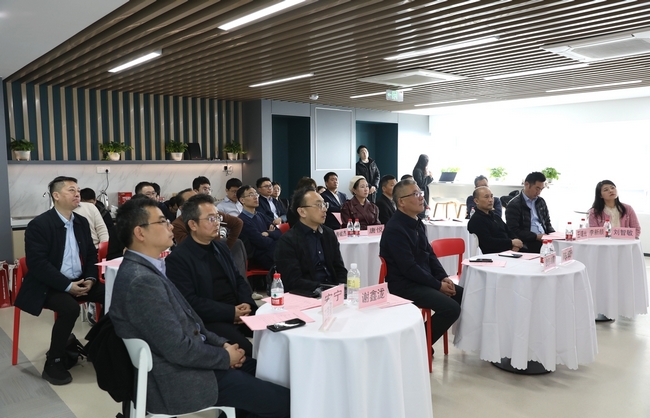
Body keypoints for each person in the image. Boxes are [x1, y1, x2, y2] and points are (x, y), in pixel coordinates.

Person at [110, 197, 290, 417]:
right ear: (140, 233)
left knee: (266, 373)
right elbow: (178, 348)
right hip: (181, 379)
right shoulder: (142, 281)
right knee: (287, 401)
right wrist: (225, 357)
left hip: (194, 361)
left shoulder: (147, 269)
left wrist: (223, 345)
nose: (171, 227)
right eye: (163, 222)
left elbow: (192, 322)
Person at [14, 176, 104, 385]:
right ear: (56, 195)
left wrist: (91, 279)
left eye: (78, 190)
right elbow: (37, 264)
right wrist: (67, 286)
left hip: (79, 280)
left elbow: (91, 254)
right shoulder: (39, 225)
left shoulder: (81, 222)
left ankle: (95, 344)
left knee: (115, 295)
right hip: (48, 284)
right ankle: (53, 361)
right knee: (70, 308)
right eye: (71, 190)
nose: (77, 194)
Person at [166, 194, 257, 356]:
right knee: (248, 352)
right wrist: (230, 312)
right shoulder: (178, 259)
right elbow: (190, 303)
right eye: (211, 219)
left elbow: (238, 278)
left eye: (217, 217)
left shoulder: (220, 247)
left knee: (277, 332)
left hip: (239, 310)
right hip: (211, 320)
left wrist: (247, 303)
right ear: (193, 224)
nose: (217, 223)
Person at [379, 179, 463, 350]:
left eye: (420, 193)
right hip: (404, 284)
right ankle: (416, 347)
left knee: (462, 295)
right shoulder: (395, 229)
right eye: (415, 194)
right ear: (401, 202)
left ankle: (419, 343)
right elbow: (408, 268)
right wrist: (437, 285)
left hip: (422, 280)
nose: (421, 198)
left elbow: (430, 254)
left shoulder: (418, 223)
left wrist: (443, 278)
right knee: (451, 309)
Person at [274, 187, 347, 293]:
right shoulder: (288, 241)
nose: (324, 209)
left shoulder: (329, 234)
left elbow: (339, 268)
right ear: (302, 212)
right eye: (319, 205)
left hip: (333, 292)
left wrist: (342, 286)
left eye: (324, 204)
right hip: (307, 294)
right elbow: (292, 280)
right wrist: (323, 289)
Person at [505, 171, 555, 253]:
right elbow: (513, 230)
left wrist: (554, 235)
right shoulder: (514, 205)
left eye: (541, 189)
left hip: (544, 240)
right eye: (537, 188)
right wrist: (536, 236)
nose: (539, 192)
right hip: (528, 242)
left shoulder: (540, 201)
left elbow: (547, 223)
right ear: (527, 184)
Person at [467, 186, 523, 254]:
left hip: (509, 251)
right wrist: (511, 243)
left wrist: (516, 243)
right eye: (486, 197)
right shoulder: (476, 220)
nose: (490, 200)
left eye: (491, 196)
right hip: (493, 255)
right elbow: (488, 242)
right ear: (476, 201)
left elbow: (509, 231)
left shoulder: (495, 216)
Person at [238, 185, 282, 270]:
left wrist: (268, 233)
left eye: (256, 194)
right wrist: (272, 236)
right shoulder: (242, 220)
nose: (255, 197)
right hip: (260, 257)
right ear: (242, 200)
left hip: (271, 252)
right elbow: (262, 242)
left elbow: (279, 233)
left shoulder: (260, 215)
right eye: (251, 195)